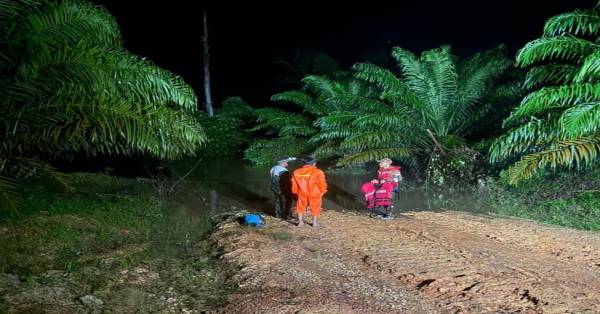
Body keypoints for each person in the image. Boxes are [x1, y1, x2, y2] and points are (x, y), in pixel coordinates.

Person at [291, 157, 327, 228]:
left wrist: (295, 192)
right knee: (315, 207)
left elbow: (294, 184)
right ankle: (314, 223)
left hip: (302, 193)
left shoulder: (296, 172)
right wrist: (323, 191)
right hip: (315, 193)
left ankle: (300, 223)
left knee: (300, 207)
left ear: (304, 163)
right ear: (314, 163)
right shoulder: (318, 172)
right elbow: (322, 183)